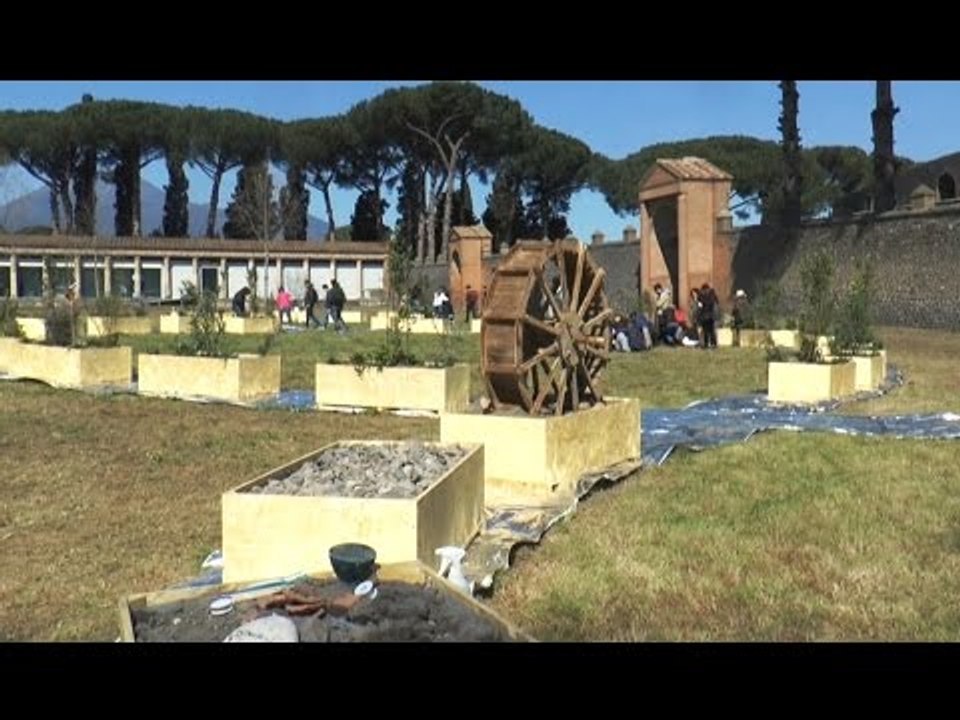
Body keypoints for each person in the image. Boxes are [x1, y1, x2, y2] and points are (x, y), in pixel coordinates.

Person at [698, 282, 719, 349]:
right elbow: (717, 302)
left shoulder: (701, 295)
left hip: (704, 316)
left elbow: (700, 306)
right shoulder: (712, 294)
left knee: (705, 331)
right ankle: (713, 344)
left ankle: (706, 344)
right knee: (711, 330)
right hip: (711, 316)